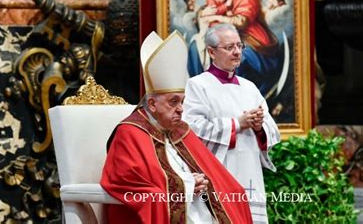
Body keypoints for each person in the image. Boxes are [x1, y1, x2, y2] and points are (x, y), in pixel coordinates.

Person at [101, 31, 252, 224]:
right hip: (174, 210)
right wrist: (187, 185)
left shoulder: (180, 130)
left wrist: (203, 184)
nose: (181, 109)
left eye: (182, 102)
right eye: (173, 102)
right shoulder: (130, 132)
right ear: (153, 104)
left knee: (234, 192)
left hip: (199, 206)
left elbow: (214, 173)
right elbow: (127, 183)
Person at [182, 23, 281, 224]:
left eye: (239, 46)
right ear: (211, 51)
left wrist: (259, 126)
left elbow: (272, 130)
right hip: (218, 171)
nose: (237, 52)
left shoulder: (250, 87)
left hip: (250, 170)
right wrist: (236, 124)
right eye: (229, 47)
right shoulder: (198, 85)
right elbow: (191, 129)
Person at [199, 0, 280, 95]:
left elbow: (242, 21)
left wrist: (216, 17)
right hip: (227, 33)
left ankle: (238, 94)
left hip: (250, 34)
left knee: (239, 59)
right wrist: (203, 12)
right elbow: (211, 5)